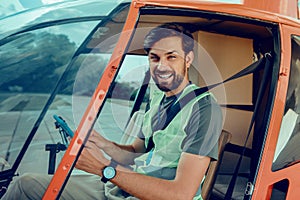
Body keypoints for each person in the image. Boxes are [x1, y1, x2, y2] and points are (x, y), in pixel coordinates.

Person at [2, 22, 222, 200]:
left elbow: (181, 194)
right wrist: (102, 143)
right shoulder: (157, 100)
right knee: (25, 184)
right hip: (126, 186)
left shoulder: (204, 108)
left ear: (188, 59)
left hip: (144, 191)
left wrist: (103, 168)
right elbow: (135, 153)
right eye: (154, 58)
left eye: (171, 57)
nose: (161, 66)